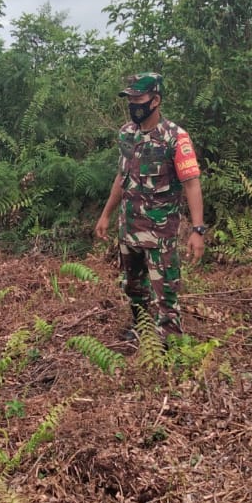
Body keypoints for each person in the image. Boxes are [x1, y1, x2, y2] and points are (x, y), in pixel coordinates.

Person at [94, 72, 206, 341]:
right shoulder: (126, 134)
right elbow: (121, 177)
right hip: (129, 227)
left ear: (155, 100)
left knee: (165, 291)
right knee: (133, 286)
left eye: (138, 99)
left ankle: (169, 342)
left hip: (160, 233)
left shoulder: (175, 137)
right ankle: (142, 328)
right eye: (129, 99)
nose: (133, 105)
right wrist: (106, 215)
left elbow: (192, 184)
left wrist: (198, 230)